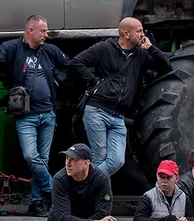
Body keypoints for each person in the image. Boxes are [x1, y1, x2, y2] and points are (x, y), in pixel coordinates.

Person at [0, 15, 71, 217]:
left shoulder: (50, 50)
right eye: (43, 31)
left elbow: (69, 65)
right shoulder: (12, 48)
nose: (46, 35)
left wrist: (57, 80)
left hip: (48, 114)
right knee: (31, 156)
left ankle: (36, 202)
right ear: (30, 31)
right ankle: (54, 189)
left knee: (42, 160)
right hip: (26, 116)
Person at [68, 17, 172, 176]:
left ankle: (85, 184)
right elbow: (76, 62)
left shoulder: (141, 54)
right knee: (100, 157)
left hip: (118, 116)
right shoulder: (105, 48)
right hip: (97, 110)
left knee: (117, 161)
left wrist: (151, 48)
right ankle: (91, 189)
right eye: (139, 31)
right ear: (126, 34)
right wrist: (93, 81)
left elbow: (166, 67)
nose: (143, 34)